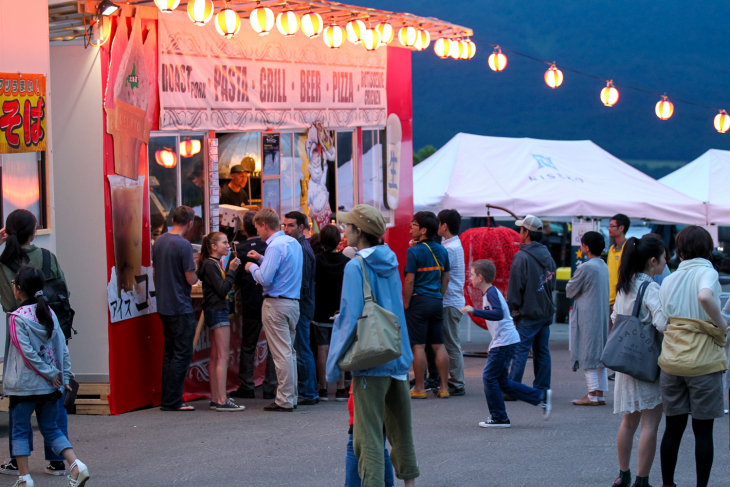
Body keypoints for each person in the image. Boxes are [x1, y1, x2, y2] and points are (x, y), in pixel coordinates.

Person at [327, 204, 419, 486]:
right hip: (396, 354)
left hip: (370, 357)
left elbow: (349, 315)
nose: (344, 230)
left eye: (348, 226)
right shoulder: (390, 258)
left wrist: (332, 368)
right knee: (401, 431)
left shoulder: (356, 266)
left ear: (358, 231)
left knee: (368, 438)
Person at [3, 266, 90, 487]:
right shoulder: (48, 312)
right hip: (51, 387)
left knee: (20, 430)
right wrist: (64, 375)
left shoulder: (16, 318)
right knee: (51, 428)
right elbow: (62, 346)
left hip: (24, 387)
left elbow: (26, 353)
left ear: (19, 289)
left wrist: (52, 373)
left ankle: (24, 479)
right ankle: (76, 465)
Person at [0, 209, 71, 477]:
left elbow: (8, 302)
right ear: (34, 232)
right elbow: (64, 288)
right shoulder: (47, 257)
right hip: (49, 325)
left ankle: (18, 463)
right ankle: (57, 460)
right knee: (54, 393)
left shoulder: (4, 261)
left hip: (18, 326)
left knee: (20, 398)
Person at [658, 226, 728, 487]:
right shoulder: (707, 271)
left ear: (680, 249)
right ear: (707, 248)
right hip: (703, 363)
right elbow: (704, 295)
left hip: (672, 361)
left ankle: (668, 484)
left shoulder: (670, 278)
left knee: (672, 429)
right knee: (703, 432)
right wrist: (721, 325)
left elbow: (664, 320)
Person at [461, 260, 552, 428]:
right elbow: (500, 319)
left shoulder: (490, 293)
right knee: (502, 381)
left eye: (472, 275)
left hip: (505, 341)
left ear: (480, 278)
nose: (470, 278)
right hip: (505, 341)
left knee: (489, 377)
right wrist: (493, 343)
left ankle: (499, 417)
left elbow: (498, 314)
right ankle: (539, 397)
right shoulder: (490, 292)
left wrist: (474, 310)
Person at [610, 236, 668, 487]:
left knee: (628, 422)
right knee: (650, 425)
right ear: (653, 261)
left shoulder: (625, 285)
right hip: (646, 363)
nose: (667, 262)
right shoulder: (652, 288)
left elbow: (615, 318)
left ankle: (623, 475)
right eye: (665, 258)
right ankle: (642, 480)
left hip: (626, 362)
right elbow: (662, 323)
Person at [245, 208, 303, 412]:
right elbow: (282, 270)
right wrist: (261, 260)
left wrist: (251, 267)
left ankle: (285, 399)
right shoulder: (292, 243)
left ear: (264, 225)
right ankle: (291, 396)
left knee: (281, 353)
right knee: (289, 352)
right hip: (292, 302)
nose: (258, 234)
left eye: (257, 229)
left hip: (276, 303)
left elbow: (265, 278)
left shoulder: (275, 246)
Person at [153, 206, 199, 412]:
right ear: (190, 223)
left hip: (163, 304)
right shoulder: (184, 245)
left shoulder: (160, 241)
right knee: (182, 352)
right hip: (180, 304)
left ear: (172, 219)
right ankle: (173, 400)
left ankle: (168, 398)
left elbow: (155, 271)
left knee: (170, 353)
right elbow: (191, 278)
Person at [196, 232, 245, 412]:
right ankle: (222, 399)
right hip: (217, 310)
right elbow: (223, 289)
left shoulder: (211, 264)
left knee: (216, 355)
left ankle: (216, 397)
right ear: (213, 247)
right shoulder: (211, 265)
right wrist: (232, 270)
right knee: (222, 356)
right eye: (224, 243)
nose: (228, 245)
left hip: (214, 309)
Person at [404, 211, 451, 399]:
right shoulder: (442, 250)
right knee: (439, 345)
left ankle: (420, 387)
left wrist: (407, 303)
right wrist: (439, 294)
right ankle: (444, 387)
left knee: (419, 346)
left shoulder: (413, 251)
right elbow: (446, 276)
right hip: (436, 301)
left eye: (413, 225)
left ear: (424, 230)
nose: (410, 228)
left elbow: (409, 280)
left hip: (419, 301)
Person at [506, 215, 556, 392]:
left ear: (526, 233)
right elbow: (551, 283)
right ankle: (542, 389)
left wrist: (512, 308)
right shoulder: (548, 255)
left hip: (528, 312)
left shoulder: (522, 256)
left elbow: (515, 287)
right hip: (545, 311)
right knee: (542, 351)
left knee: (520, 351)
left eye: (521, 229)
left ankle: (512, 388)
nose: (520, 232)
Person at [230, 212, 277, 400]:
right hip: (269, 299)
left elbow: (233, 276)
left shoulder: (239, 249)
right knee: (273, 345)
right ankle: (270, 387)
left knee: (248, 344)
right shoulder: (269, 246)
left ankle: (246, 384)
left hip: (250, 301)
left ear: (243, 229)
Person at [566, 231, 610, 406]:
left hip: (587, 314)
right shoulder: (603, 265)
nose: (581, 246)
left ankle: (591, 394)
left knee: (588, 352)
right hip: (600, 313)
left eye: (582, 243)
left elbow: (570, 290)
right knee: (599, 353)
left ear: (586, 247)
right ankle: (599, 394)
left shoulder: (586, 267)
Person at [283, 211, 319, 406]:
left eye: (291, 226)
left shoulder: (302, 249)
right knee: (301, 348)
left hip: (302, 305)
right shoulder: (297, 247)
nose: (286, 230)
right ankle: (308, 390)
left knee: (302, 349)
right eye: (285, 225)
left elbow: (304, 284)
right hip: (301, 305)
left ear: (302, 228)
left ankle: (308, 392)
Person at [313, 224, 350, 402]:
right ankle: (341, 388)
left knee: (322, 348)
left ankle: (322, 388)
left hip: (320, 309)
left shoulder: (317, 260)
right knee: (340, 347)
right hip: (340, 310)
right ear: (338, 240)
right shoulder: (345, 261)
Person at [437, 209, 466, 396]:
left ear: (444, 226)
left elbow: (444, 277)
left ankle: (457, 382)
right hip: (454, 300)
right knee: (449, 342)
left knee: (451, 344)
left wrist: (438, 295)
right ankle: (452, 379)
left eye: (438, 223)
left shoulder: (450, 249)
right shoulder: (454, 244)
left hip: (449, 300)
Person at [608, 213, 630, 332]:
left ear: (621, 228)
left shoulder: (627, 247)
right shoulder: (612, 249)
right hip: (609, 298)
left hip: (620, 299)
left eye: (612, 226)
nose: (609, 229)